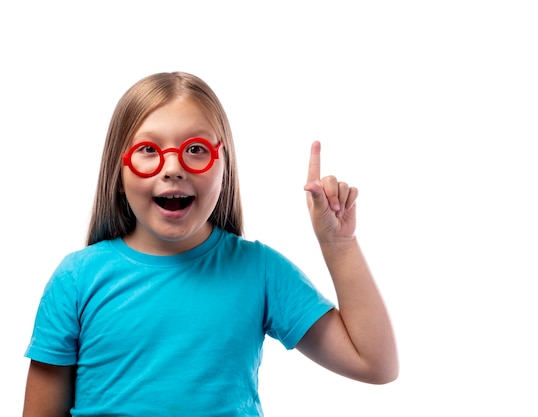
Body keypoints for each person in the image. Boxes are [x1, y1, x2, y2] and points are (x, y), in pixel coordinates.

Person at [22, 71, 398, 416]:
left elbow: (375, 364)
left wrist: (338, 243)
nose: (173, 168)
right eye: (149, 150)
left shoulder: (260, 270)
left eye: (196, 149)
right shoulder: (76, 278)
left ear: (224, 167)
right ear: (119, 170)